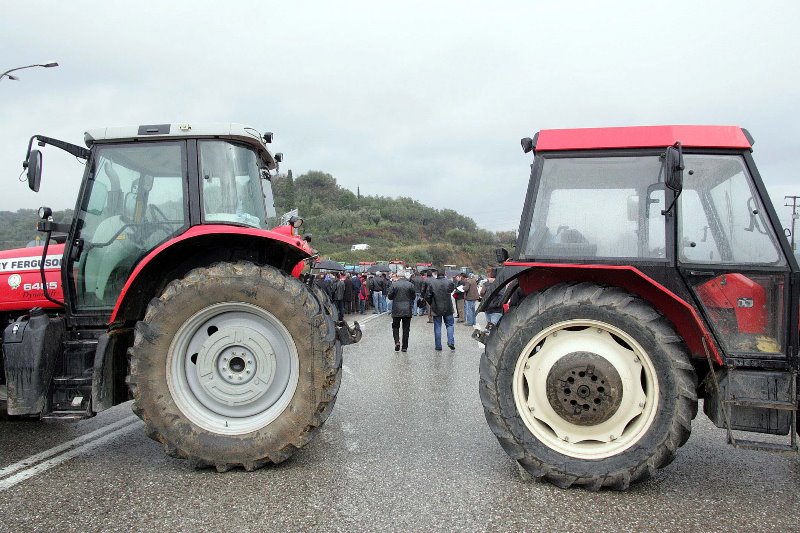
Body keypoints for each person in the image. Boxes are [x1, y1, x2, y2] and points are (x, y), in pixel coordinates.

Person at [424, 268, 455, 351]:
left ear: (437, 274)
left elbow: (427, 296)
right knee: (450, 325)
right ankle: (450, 341)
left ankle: (438, 346)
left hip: (436, 307)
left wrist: (432, 303)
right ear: (444, 274)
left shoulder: (432, 283)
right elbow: (451, 290)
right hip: (448, 307)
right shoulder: (449, 282)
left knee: (437, 326)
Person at [387, 272, 416, 352]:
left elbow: (390, 296)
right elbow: (413, 297)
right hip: (407, 309)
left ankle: (397, 341)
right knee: (406, 328)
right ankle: (404, 347)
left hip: (396, 309)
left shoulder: (394, 285)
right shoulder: (410, 285)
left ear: (398, 276)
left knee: (395, 327)